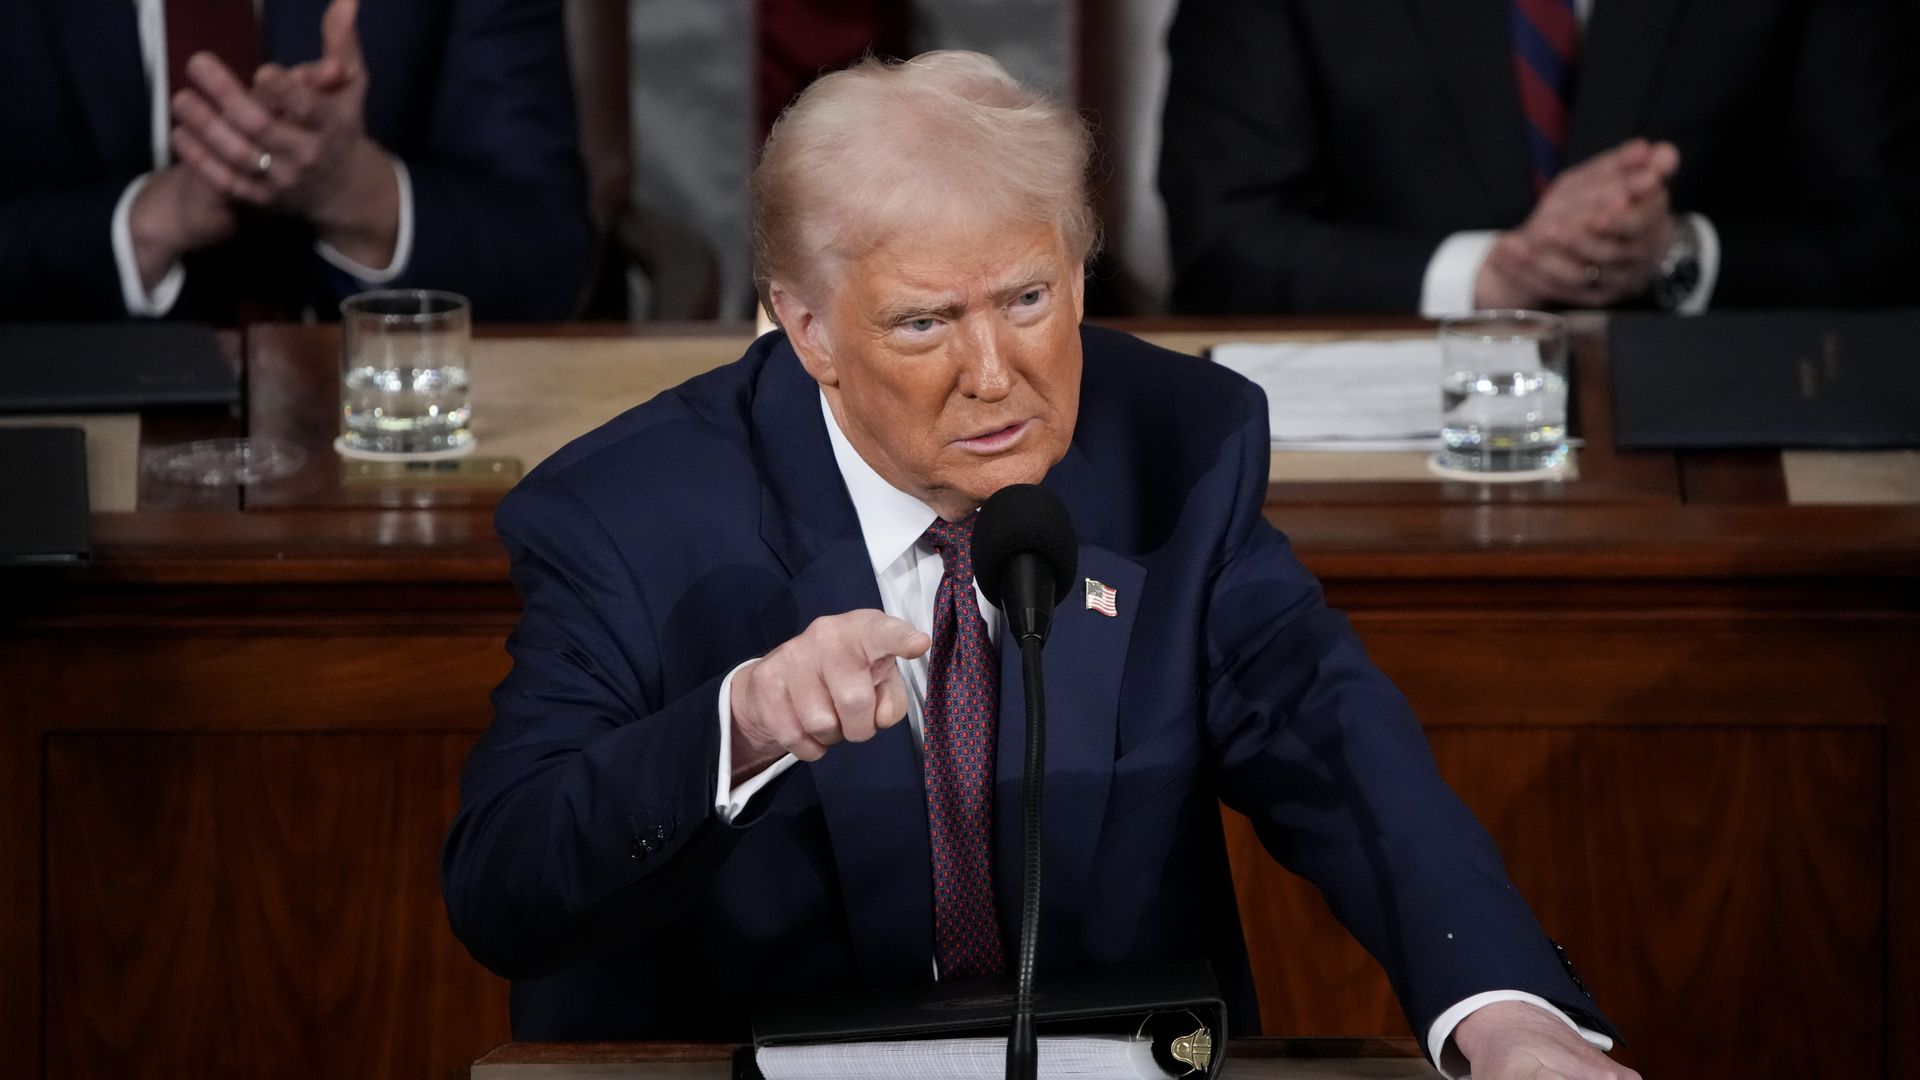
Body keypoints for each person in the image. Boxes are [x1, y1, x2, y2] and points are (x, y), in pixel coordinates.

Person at [442, 51, 1638, 1079]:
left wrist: (1507, 1015)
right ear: (808, 328)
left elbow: (1338, 747)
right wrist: (740, 727)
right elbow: (502, 884)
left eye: (1027, 297)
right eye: (924, 322)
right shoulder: (626, 516)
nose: (994, 374)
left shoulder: (1178, 447)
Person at [1159, 0, 1920, 316]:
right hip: (1381, 420)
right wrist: (1495, 273)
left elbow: (1888, 225)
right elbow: (1223, 240)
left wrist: (1677, 252)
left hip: (1716, 416)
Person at [0, 0, 591, 323]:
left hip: (380, 423)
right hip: (65, 412)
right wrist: (146, 223)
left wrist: (358, 196)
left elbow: (550, 257)